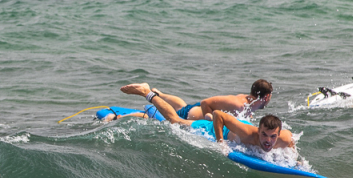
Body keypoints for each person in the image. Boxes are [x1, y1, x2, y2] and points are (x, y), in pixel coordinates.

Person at [121, 82, 294, 152]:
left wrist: (297, 160)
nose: (268, 140)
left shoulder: (282, 138)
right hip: (218, 126)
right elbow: (219, 115)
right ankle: (147, 93)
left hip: (230, 123)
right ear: (259, 130)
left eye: (272, 137)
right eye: (264, 134)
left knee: (182, 106)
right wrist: (221, 143)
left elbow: (291, 141)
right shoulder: (248, 132)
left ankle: (157, 93)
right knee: (175, 121)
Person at [107, 80, 273, 121]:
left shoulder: (250, 102)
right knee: (157, 119)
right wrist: (209, 116)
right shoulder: (238, 103)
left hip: (191, 110)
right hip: (189, 116)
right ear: (266, 97)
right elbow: (205, 102)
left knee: (182, 105)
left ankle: (157, 92)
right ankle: (118, 117)